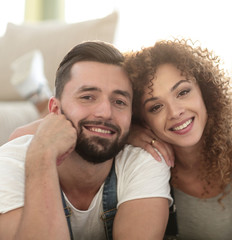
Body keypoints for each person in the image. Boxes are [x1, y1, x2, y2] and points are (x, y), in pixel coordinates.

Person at [0, 41, 172, 240]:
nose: (105, 112)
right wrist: (42, 158)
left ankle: (37, 91)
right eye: (88, 97)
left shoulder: (145, 159)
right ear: (54, 110)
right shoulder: (12, 163)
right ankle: (37, 92)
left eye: (119, 102)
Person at [123, 39, 232, 240]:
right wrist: (126, 134)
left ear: (205, 91)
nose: (175, 112)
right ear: (143, 119)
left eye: (183, 92)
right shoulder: (142, 158)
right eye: (156, 107)